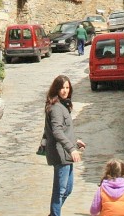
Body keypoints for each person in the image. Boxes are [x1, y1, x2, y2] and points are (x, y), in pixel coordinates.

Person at [44, 74, 86, 216]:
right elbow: (57, 131)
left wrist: (75, 141)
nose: (65, 91)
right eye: (62, 88)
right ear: (56, 89)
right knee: (60, 190)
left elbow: (65, 130)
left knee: (67, 189)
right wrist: (71, 149)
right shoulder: (56, 108)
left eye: (67, 88)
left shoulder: (62, 105)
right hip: (60, 154)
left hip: (66, 153)